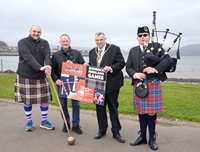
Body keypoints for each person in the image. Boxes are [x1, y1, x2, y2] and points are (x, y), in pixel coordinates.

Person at [126, 26, 172, 150]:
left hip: (153, 82)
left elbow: (168, 60)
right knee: (141, 111)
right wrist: (135, 74)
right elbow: (128, 66)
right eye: (140, 35)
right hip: (139, 84)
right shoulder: (133, 50)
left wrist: (155, 69)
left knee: (151, 113)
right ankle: (142, 137)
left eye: (145, 35)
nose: (143, 37)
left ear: (149, 37)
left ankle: (152, 138)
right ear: (137, 38)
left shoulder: (156, 47)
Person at [87, 32, 125, 143]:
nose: (99, 42)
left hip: (112, 84)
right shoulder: (91, 52)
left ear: (105, 39)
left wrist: (111, 67)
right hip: (97, 85)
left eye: (101, 39)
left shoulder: (114, 49)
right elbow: (93, 65)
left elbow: (121, 63)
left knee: (113, 108)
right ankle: (102, 130)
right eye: (97, 40)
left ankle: (116, 132)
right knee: (100, 109)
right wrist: (87, 66)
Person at [15, 25, 55, 131]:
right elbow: (28, 57)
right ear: (30, 31)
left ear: (41, 33)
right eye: (34, 31)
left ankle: (44, 121)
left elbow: (47, 55)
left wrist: (48, 66)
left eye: (38, 32)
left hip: (40, 76)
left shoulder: (45, 43)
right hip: (25, 75)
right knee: (27, 101)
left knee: (45, 100)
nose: (36, 33)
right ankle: (29, 122)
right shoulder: (22, 42)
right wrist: (40, 67)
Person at [51, 34, 85, 134]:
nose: (65, 43)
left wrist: (74, 65)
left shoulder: (76, 53)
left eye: (67, 41)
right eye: (63, 41)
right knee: (63, 105)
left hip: (75, 83)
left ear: (70, 42)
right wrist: (56, 80)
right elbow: (53, 70)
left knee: (76, 105)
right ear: (60, 43)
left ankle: (75, 125)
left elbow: (83, 67)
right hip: (61, 83)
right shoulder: (56, 55)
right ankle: (66, 124)